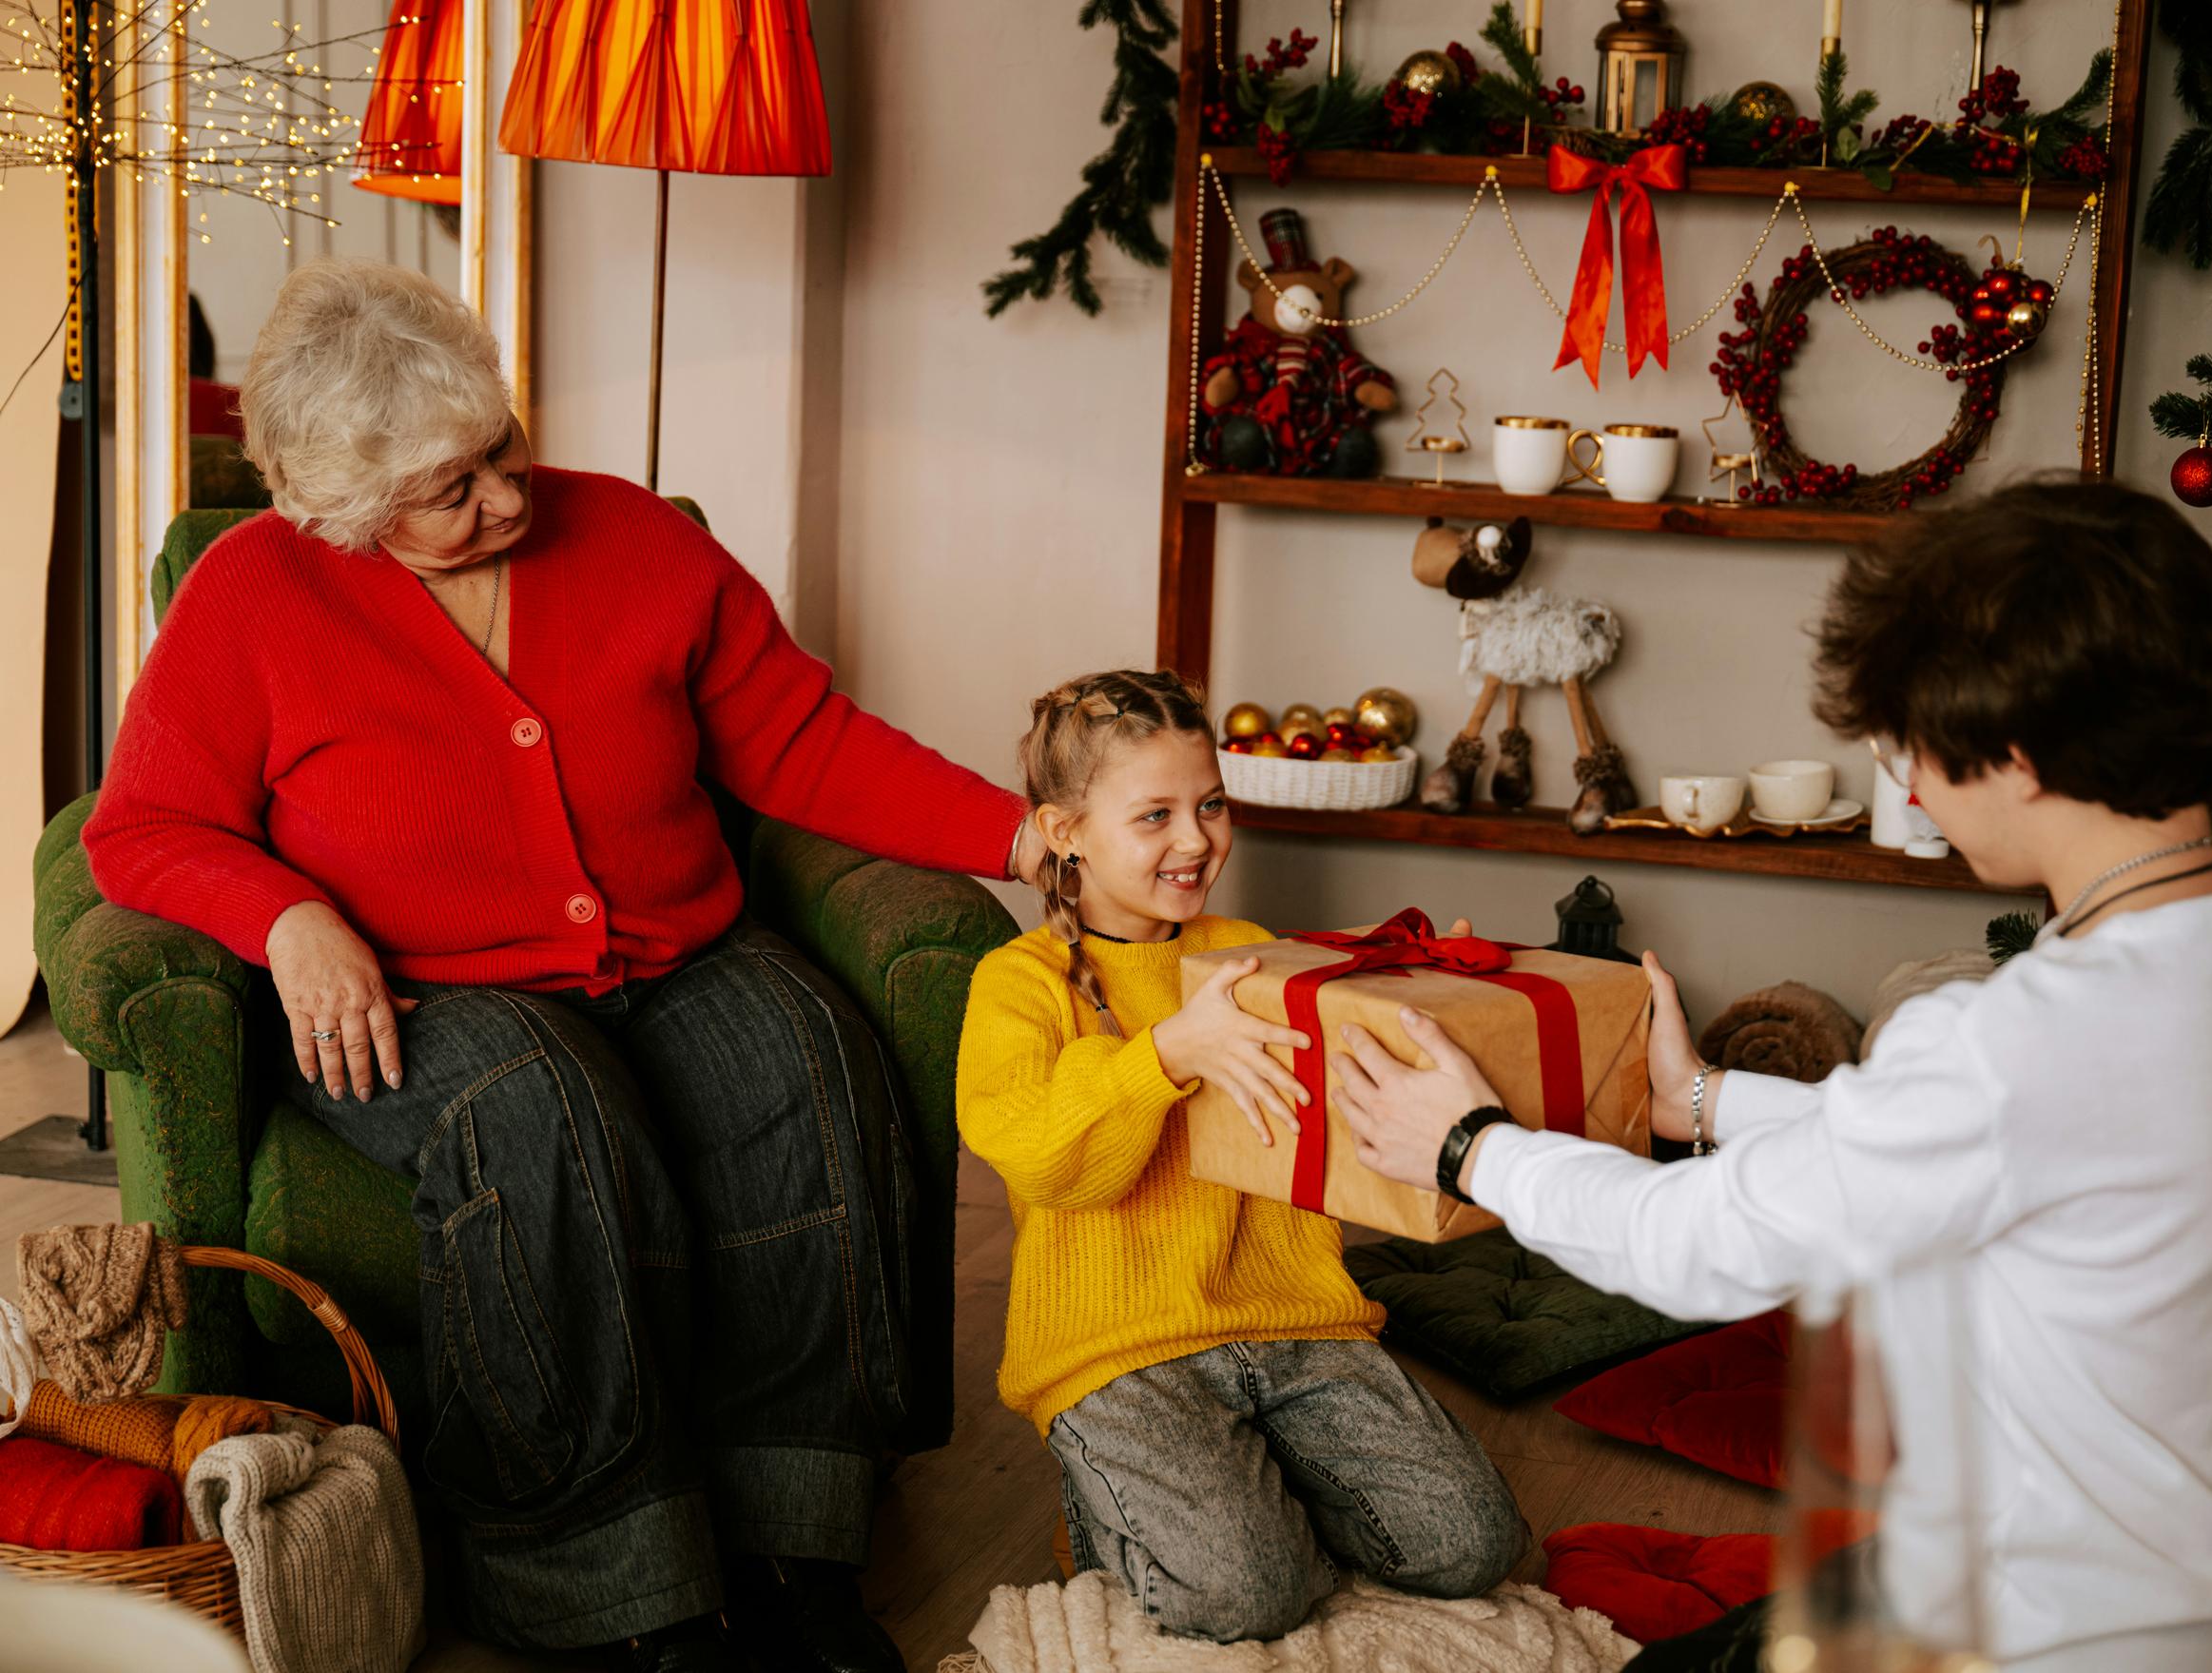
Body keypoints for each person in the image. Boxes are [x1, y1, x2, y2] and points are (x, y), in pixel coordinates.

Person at [85, 259, 1046, 1673]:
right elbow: (139, 827)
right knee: (541, 1120)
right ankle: (613, 1591)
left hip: (675, 949)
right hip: (430, 992)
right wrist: (287, 914)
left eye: (503, 451)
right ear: (334, 506)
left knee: (809, 1067)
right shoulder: (254, 596)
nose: (508, 502)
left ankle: (798, 1552)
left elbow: (802, 743)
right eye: (450, 490)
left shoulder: (642, 540)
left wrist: (1025, 834)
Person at [1329, 479, 2212, 1673]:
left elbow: (1696, 1246)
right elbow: (2014, 1149)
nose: (1913, 783)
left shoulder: (2025, 1037)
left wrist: (1469, 1145)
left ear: (2019, 749)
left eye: (1913, 743)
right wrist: (1706, 1100)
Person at [954, 670, 1529, 1644]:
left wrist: (1418, 1002)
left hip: (1292, 1319)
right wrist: (1166, 1055)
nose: (1196, 840)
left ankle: (1243, 1484)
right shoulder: (1018, 984)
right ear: (1063, 831)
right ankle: (1119, 1506)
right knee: (1250, 1596)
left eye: (1210, 804)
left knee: (1473, 1544)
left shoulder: (1249, 950)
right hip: (1119, 1351)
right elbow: (1045, 1159)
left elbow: (1328, 1118)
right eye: (1155, 815)